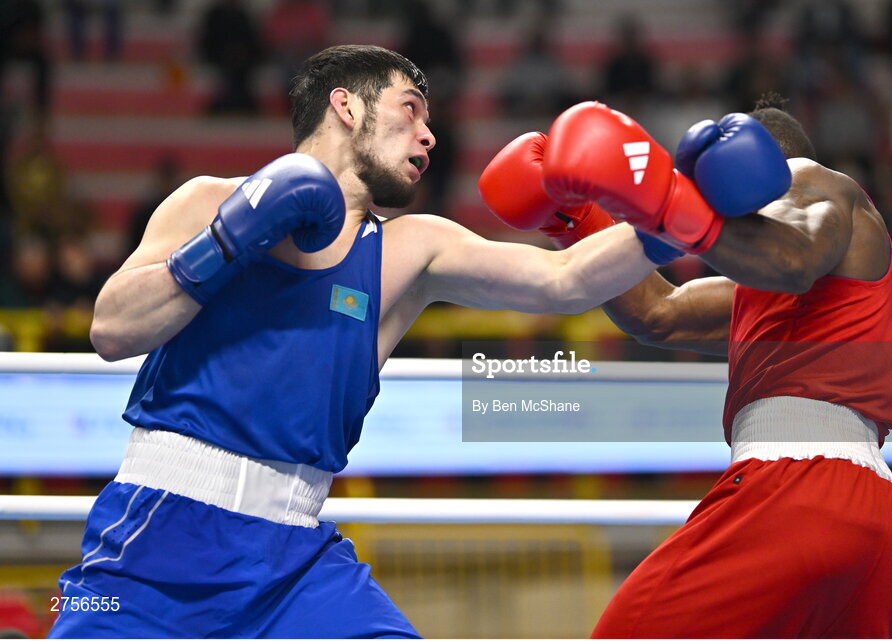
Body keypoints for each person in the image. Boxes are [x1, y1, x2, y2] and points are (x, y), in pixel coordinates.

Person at [48, 45, 787, 639]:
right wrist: (228, 239)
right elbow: (111, 328)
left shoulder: (409, 249)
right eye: (410, 109)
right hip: (159, 535)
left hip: (293, 560)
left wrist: (681, 210)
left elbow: (562, 281)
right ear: (346, 105)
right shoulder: (207, 199)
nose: (430, 134)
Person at [495, 94, 892, 637]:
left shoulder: (812, 180)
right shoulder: (764, 296)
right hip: (874, 517)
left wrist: (671, 203)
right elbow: (657, 313)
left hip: (796, 488)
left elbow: (794, 256)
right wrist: (575, 220)